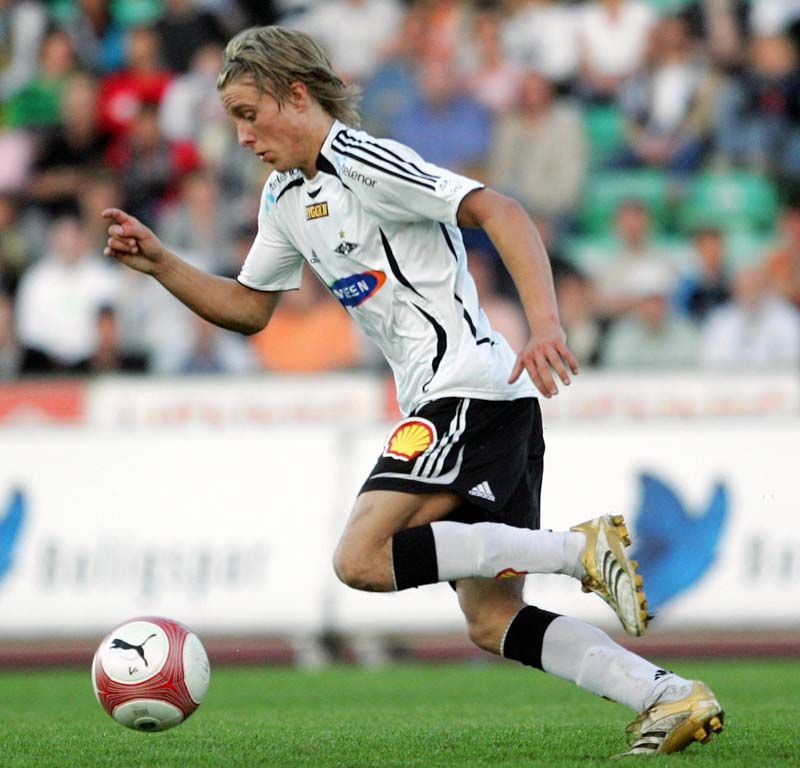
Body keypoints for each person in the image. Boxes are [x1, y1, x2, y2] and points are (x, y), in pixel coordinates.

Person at [102, 25, 724, 756]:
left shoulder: (367, 162)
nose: (241, 136)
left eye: (249, 113)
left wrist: (545, 324)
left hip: (468, 392)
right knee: (492, 622)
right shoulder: (285, 196)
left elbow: (502, 211)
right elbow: (248, 308)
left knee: (361, 557)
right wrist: (162, 263)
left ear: (296, 95)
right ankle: (668, 696)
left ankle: (572, 549)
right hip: (478, 403)